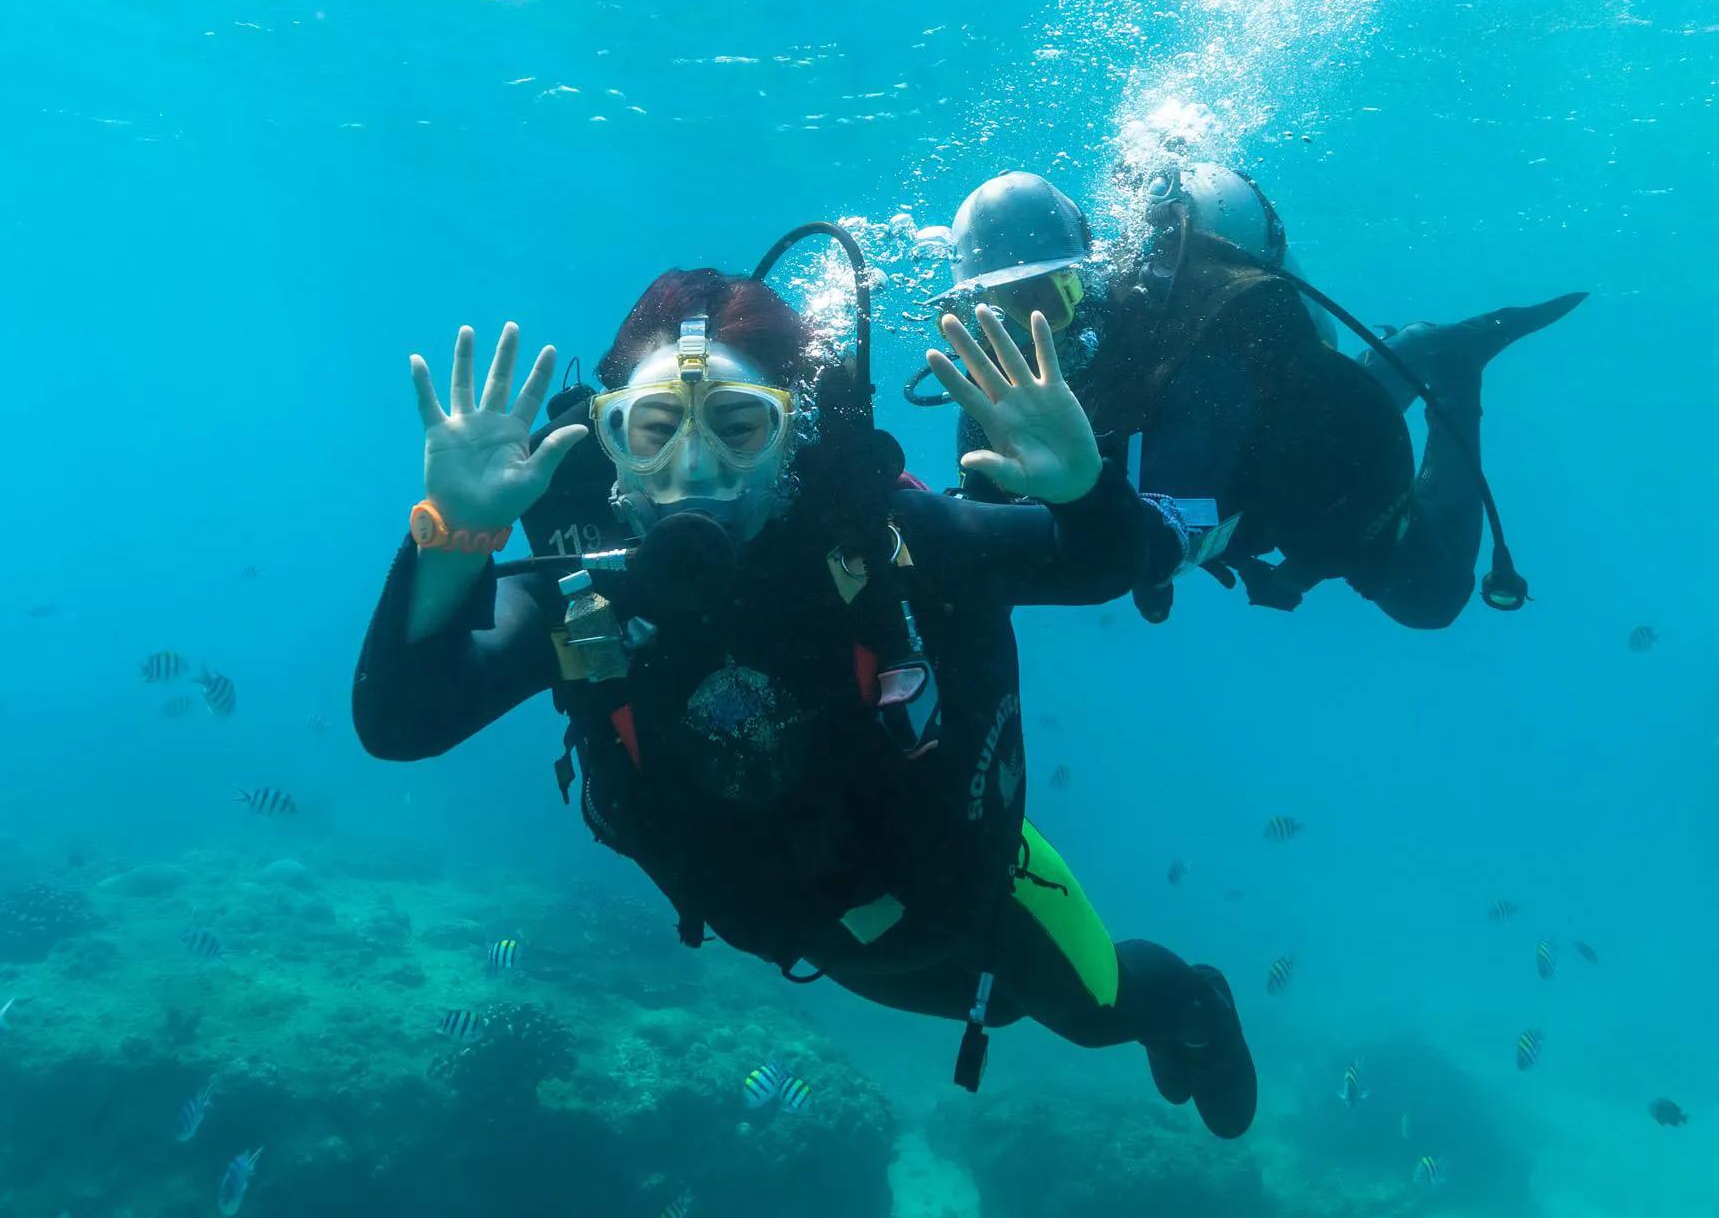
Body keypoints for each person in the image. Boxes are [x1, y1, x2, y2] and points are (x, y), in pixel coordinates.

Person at [353, 259, 1258, 1139]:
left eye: (739, 426)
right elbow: (401, 718)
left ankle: (1195, 1008)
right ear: (610, 444)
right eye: (655, 427)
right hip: (824, 941)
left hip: (983, 902)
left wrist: (1083, 489)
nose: (695, 466)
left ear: (794, 435)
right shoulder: (587, 595)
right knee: (999, 1010)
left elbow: (1110, 562)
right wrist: (455, 532)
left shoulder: (899, 544)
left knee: (1091, 1014)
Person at [932, 165, 1583, 626]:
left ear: (1091, 275)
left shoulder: (1195, 344)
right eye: (1000, 314)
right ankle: (1408, 352)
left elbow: (1182, 511)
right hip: (1238, 466)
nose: (1036, 334)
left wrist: (1106, 520)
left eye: (1052, 298)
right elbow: (982, 521)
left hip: (1305, 468)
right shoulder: (996, 388)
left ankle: (1455, 366)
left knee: (1430, 600)